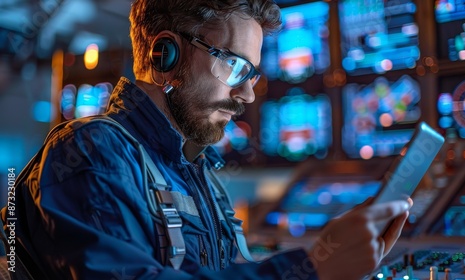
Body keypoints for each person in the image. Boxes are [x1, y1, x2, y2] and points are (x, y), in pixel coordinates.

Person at [1, 0, 411, 279]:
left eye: (251, 76)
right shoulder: (91, 151)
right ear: (167, 55)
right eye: (235, 67)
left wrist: (333, 250)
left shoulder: (198, 174)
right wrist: (313, 268)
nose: (247, 95)